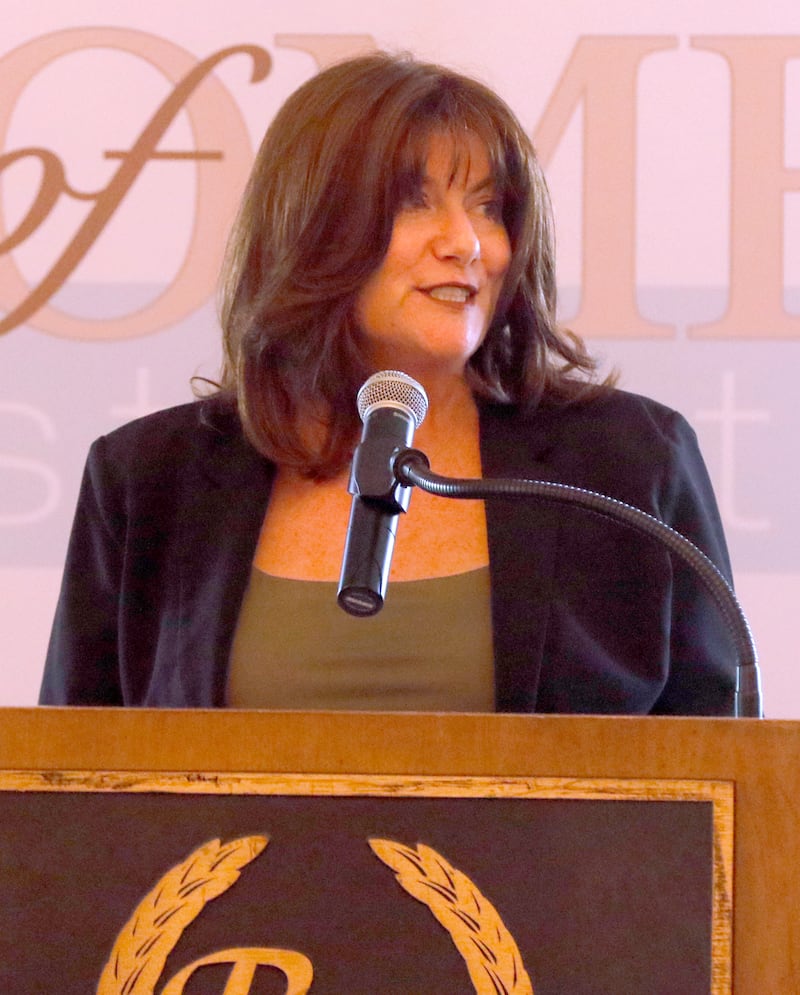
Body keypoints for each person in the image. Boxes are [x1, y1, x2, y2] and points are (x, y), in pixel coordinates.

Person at [39, 52, 737, 713]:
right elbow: (67, 781)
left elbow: (720, 771)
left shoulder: (629, 465)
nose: (466, 242)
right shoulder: (147, 480)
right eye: (415, 202)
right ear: (312, 226)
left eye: (489, 206)